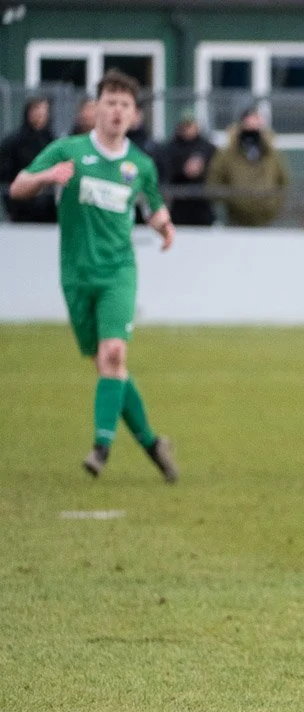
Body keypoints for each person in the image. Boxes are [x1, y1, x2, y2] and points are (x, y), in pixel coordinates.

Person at [9, 70, 178, 481]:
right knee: (106, 365)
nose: (117, 111)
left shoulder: (140, 165)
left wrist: (164, 226)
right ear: (95, 109)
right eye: (110, 102)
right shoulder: (68, 150)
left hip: (118, 272)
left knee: (114, 354)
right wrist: (47, 178)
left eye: (125, 105)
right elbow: (17, 186)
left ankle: (101, 448)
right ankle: (153, 443)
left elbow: (152, 206)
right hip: (76, 275)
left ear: (134, 114)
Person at [205, 107, 290, 226]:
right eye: (248, 125)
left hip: (268, 220)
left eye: (256, 125)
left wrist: (274, 205)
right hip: (236, 220)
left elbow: (284, 182)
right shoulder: (227, 154)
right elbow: (214, 183)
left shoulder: (272, 154)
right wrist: (233, 199)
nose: (252, 131)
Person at [1, 96, 59, 223]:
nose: (40, 114)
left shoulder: (54, 143)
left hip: (49, 213)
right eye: (36, 109)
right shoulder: (13, 143)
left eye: (44, 110)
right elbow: (6, 178)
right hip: (21, 211)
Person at [157, 109, 217, 226]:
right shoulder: (169, 149)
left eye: (190, 125)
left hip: (202, 206)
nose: (187, 128)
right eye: (184, 125)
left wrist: (201, 170)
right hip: (179, 206)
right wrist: (183, 170)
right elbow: (165, 174)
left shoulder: (207, 148)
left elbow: (216, 172)